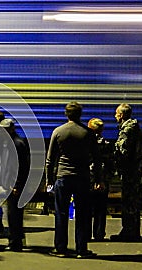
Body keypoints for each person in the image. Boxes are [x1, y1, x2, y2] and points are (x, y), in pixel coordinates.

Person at [45, 102, 101, 259]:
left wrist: (49, 180)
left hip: (63, 177)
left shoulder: (58, 132)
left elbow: (50, 160)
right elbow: (96, 159)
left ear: (66, 114)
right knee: (83, 214)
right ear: (80, 114)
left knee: (61, 213)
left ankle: (60, 248)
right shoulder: (88, 133)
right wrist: (98, 179)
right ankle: (81, 249)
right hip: (82, 177)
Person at [110, 103, 142, 242]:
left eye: (116, 113)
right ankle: (134, 231)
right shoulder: (135, 127)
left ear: (122, 115)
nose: (115, 116)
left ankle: (128, 232)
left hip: (129, 171)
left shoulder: (127, 130)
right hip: (135, 169)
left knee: (129, 201)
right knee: (134, 201)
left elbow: (122, 152)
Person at [0, 119, 30, 252]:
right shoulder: (11, 142)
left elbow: (21, 167)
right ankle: (17, 239)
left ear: (11, 129)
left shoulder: (17, 144)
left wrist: (16, 185)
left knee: (14, 215)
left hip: (14, 185)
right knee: (13, 214)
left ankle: (15, 242)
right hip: (11, 183)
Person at [87, 118, 115, 242]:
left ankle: (85, 234)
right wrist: (105, 180)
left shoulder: (85, 144)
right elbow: (111, 164)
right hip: (102, 181)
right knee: (101, 208)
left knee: (86, 208)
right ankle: (99, 233)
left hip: (87, 179)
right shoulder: (107, 145)